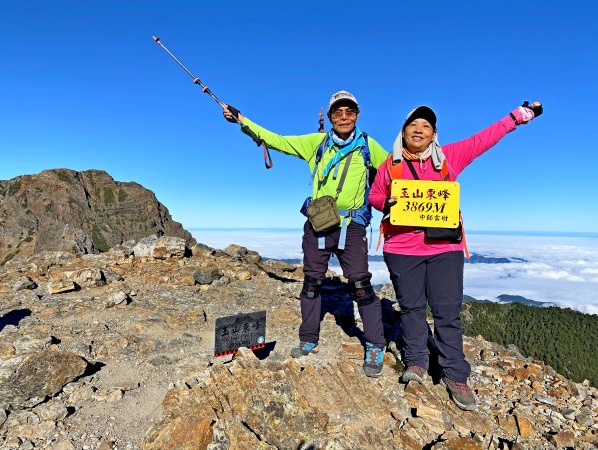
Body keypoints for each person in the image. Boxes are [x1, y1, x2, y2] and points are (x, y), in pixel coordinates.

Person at [368, 101, 542, 409]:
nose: (418, 130)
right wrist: (389, 201)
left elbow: (483, 139)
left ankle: (455, 374)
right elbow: (375, 195)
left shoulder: (448, 157)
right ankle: (417, 362)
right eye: (413, 126)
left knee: (447, 312)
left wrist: (517, 117)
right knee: (411, 309)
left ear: (434, 134)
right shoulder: (389, 166)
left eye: (426, 126)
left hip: (444, 249)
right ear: (403, 132)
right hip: (401, 248)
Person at [222, 91, 389, 377]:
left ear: (357, 115)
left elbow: (394, 173)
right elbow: (277, 140)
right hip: (320, 224)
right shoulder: (317, 143)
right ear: (333, 116)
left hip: (351, 226)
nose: (344, 116)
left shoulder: (368, 146)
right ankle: (308, 337)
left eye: (349, 111)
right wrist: (242, 121)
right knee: (312, 282)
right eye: (338, 112)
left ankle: (375, 344)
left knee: (360, 285)